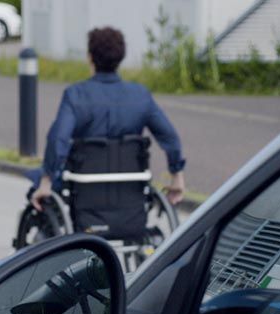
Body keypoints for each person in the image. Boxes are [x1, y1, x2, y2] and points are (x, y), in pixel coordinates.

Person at [27, 27, 186, 213]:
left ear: (90, 57)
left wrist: (46, 180)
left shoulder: (76, 95)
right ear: (121, 57)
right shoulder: (140, 96)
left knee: (37, 181)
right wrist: (177, 174)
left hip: (84, 186)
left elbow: (58, 139)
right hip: (129, 188)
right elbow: (169, 136)